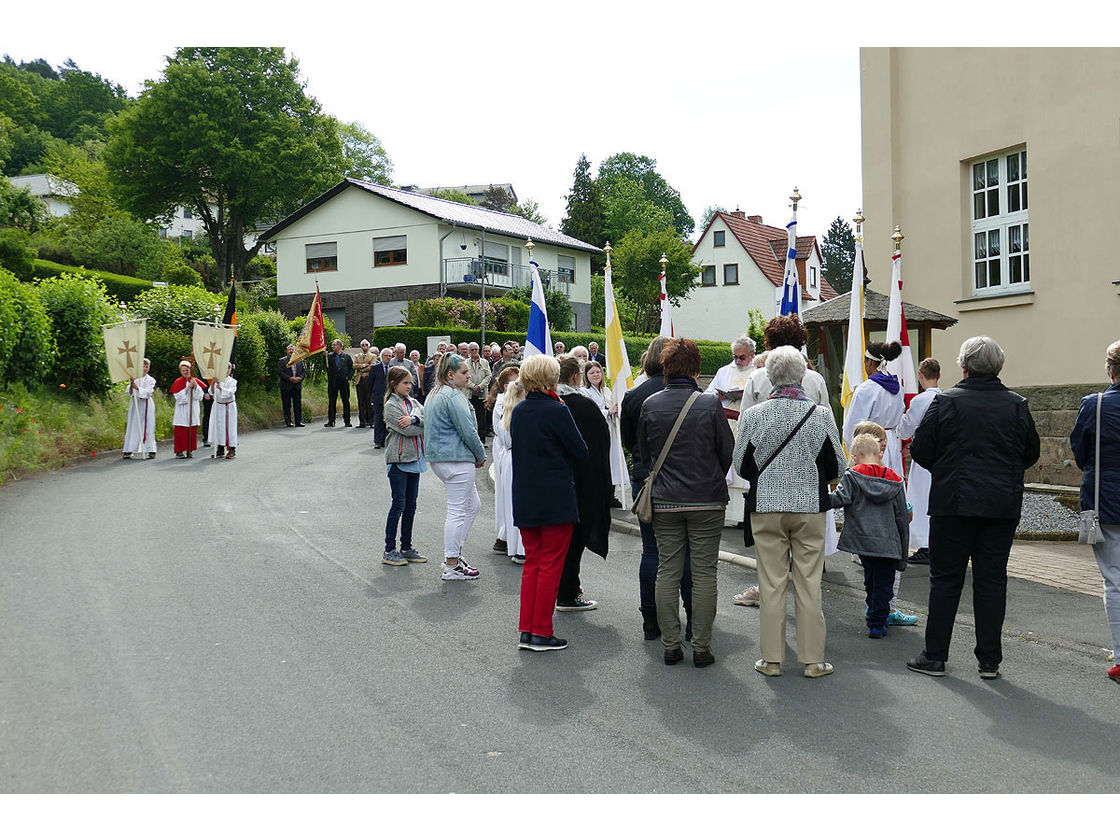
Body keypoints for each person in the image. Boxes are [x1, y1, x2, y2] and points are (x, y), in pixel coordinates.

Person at [907, 336, 1040, 680]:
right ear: (998, 367)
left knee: (946, 579)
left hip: (953, 500)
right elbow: (1030, 453)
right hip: (1000, 503)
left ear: (963, 366)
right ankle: (989, 661)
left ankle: (935, 655)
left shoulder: (946, 402)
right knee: (991, 580)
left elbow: (921, 449)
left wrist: (947, 468)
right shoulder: (1016, 405)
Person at [736, 346, 847, 678]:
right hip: (809, 507)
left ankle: (771, 661)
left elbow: (741, 464)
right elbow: (837, 465)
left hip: (767, 506)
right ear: (803, 375)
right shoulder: (821, 415)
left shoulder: (754, 415)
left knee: (770, 584)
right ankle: (813, 661)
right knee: (809, 582)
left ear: (770, 376)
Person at [638, 339, 734, 668]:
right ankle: (702, 646)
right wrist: (709, 478)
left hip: (665, 501)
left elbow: (645, 454)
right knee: (705, 574)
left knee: (667, 570)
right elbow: (726, 452)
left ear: (665, 368)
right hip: (706, 500)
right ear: (695, 369)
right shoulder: (709, 405)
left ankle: (670, 645)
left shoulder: (650, 404)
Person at [732, 318, 832, 608]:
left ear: (769, 343)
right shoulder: (814, 379)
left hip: (767, 478)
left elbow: (744, 431)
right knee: (807, 569)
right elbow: (828, 434)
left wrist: (753, 472)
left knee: (770, 559)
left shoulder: (758, 377)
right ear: (801, 341)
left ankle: (767, 601)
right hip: (808, 478)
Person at [511, 354, 588, 652]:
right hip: (555, 497)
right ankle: (541, 632)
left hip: (526, 496)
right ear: (550, 378)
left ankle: (527, 630)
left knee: (533, 564)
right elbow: (580, 452)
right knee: (550, 566)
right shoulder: (557, 410)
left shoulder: (519, 411)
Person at [621, 335, 693, 641]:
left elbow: (628, 442)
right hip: (686, 480)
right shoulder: (692, 395)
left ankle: (651, 619)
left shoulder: (634, 396)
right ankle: (694, 619)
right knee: (687, 552)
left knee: (651, 551)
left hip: (647, 479)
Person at [1070, 339, 1120, 685]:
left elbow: (1081, 450)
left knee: (1115, 581)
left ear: (1110, 369)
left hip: (1104, 500)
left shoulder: (1094, 404)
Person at [829, 433, 910, 639]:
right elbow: (901, 517)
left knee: (871, 578)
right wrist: (903, 549)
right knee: (885, 581)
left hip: (863, 541)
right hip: (889, 543)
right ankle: (878, 622)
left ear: (855, 456)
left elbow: (839, 499)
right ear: (878, 453)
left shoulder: (852, 476)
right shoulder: (896, 480)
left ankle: (873, 613)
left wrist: (816, 496)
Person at [423, 353, 487, 581]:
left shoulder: (435, 394)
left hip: (443, 459)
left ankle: (455, 555)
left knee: (472, 506)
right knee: (458, 510)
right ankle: (451, 562)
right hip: (456, 459)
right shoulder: (453, 396)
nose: (468, 375)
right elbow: (468, 430)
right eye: (464, 372)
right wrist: (480, 454)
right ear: (450, 375)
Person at [556, 354, 612, 612]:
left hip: (547, 484)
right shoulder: (583, 407)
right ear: (576, 377)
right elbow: (599, 447)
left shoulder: (540, 404)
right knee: (573, 541)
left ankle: (558, 591)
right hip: (579, 483)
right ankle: (567, 592)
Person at [706, 335, 756, 528]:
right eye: (735, 357)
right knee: (730, 471)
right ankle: (732, 515)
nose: (737, 361)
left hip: (748, 427)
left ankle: (747, 517)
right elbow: (708, 394)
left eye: (742, 357)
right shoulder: (724, 371)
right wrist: (719, 395)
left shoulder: (759, 371)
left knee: (746, 472)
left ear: (752, 354)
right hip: (728, 425)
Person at [897, 358, 942, 565]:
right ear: (939, 376)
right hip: (943, 457)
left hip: (924, 457)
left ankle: (925, 544)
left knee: (922, 498)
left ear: (921, 376)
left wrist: (899, 433)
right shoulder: (947, 397)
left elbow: (907, 427)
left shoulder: (920, 401)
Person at [382, 366, 428, 566]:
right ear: (394, 384)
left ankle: (406, 547)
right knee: (398, 504)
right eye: (405, 383)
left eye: (410, 383)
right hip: (399, 461)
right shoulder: (391, 405)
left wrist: (415, 418)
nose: (409, 386)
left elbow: (429, 418)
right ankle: (389, 549)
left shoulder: (413, 402)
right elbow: (407, 431)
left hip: (415, 459)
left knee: (411, 506)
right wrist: (417, 424)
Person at [842, 340, 905, 476]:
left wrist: (852, 450)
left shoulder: (866, 389)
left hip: (871, 448)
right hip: (892, 444)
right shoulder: (899, 388)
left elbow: (853, 425)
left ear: (870, 362)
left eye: (865, 362)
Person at [487, 366, 523, 557]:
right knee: (506, 494)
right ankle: (506, 536)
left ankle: (509, 537)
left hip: (508, 449)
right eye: (512, 382)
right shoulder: (503, 402)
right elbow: (505, 433)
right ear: (503, 385)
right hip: (505, 450)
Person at [582, 360, 626, 507]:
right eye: (592, 373)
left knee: (612, 463)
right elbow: (588, 413)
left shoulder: (606, 391)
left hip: (610, 430)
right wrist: (607, 412)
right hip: (596, 434)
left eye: (598, 371)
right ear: (586, 376)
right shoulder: (584, 392)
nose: (595, 375)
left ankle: (611, 495)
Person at [494, 380, 527, 564]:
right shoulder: (519, 416)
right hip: (518, 460)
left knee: (511, 504)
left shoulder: (505, 417)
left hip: (509, 460)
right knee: (519, 504)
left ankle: (516, 547)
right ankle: (521, 548)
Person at [169, 360, 206, 459]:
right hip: (182, 410)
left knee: (191, 430)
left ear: (190, 369)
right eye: (183, 370)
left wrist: (195, 387)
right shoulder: (178, 382)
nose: (186, 372)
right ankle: (179, 451)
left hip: (192, 408)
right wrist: (187, 388)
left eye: (187, 369)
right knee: (181, 430)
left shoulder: (195, 380)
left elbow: (200, 396)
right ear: (181, 371)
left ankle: (189, 450)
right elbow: (178, 397)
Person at [122, 358, 157, 459]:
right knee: (133, 425)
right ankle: (129, 449)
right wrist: (132, 385)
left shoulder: (151, 380)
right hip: (135, 403)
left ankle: (150, 449)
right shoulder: (134, 378)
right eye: (143, 366)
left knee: (148, 426)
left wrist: (137, 387)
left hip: (146, 404)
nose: (145, 369)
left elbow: (148, 392)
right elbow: (129, 392)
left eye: (147, 367)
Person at [208, 363, 239, 459]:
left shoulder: (232, 381)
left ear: (230, 370)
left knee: (230, 427)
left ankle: (232, 449)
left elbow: (230, 392)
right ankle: (220, 448)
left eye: (228, 368)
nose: (226, 370)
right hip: (218, 406)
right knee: (218, 427)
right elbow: (211, 392)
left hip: (228, 406)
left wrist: (221, 388)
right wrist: (213, 383)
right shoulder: (217, 380)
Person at [464, 342, 491, 443]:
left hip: (481, 393)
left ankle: (482, 440)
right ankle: (471, 440)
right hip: (469, 394)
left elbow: (488, 375)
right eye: (472, 350)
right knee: (470, 417)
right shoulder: (465, 362)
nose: (474, 352)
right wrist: (472, 386)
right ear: (469, 351)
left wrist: (480, 386)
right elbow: (463, 377)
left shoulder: (485, 362)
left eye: (476, 349)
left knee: (481, 417)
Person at [325, 339, 354, 427]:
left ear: (339, 346)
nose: (332, 346)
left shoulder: (346, 356)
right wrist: (325, 357)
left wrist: (348, 377)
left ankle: (347, 421)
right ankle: (331, 421)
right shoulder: (329, 356)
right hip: (333, 382)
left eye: (334, 345)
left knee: (345, 401)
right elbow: (327, 367)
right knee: (332, 401)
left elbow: (352, 368)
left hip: (343, 381)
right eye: (332, 345)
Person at [369, 348, 392, 448]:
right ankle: (377, 441)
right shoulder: (375, 368)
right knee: (378, 419)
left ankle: (385, 440)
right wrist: (372, 397)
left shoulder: (393, 368)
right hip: (378, 397)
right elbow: (370, 383)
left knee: (387, 419)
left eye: (390, 356)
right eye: (386, 356)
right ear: (381, 357)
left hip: (389, 398)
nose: (388, 358)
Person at [278, 344, 305, 427]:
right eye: (290, 350)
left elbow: (303, 372)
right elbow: (281, 372)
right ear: (287, 351)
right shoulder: (282, 360)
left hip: (297, 385)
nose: (291, 351)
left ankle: (298, 421)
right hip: (286, 386)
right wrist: (290, 378)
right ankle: (288, 421)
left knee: (297, 404)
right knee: (287, 404)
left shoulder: (300, 360)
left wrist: (299, 378)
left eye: (293, 349)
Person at [352, 340, 376, 429]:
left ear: (369, 346)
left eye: (366, 345)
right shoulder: (357, 356)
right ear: (361, 347)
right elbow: (354, 365)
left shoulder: (373, 356)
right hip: (360, 381)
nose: (364, 346)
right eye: (363, 345)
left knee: (369, 402)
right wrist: (363, 365)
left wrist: (361, 368)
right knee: (361, 402)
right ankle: (362, 422)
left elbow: (372, 366)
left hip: (368, 380)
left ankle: (371, 421)